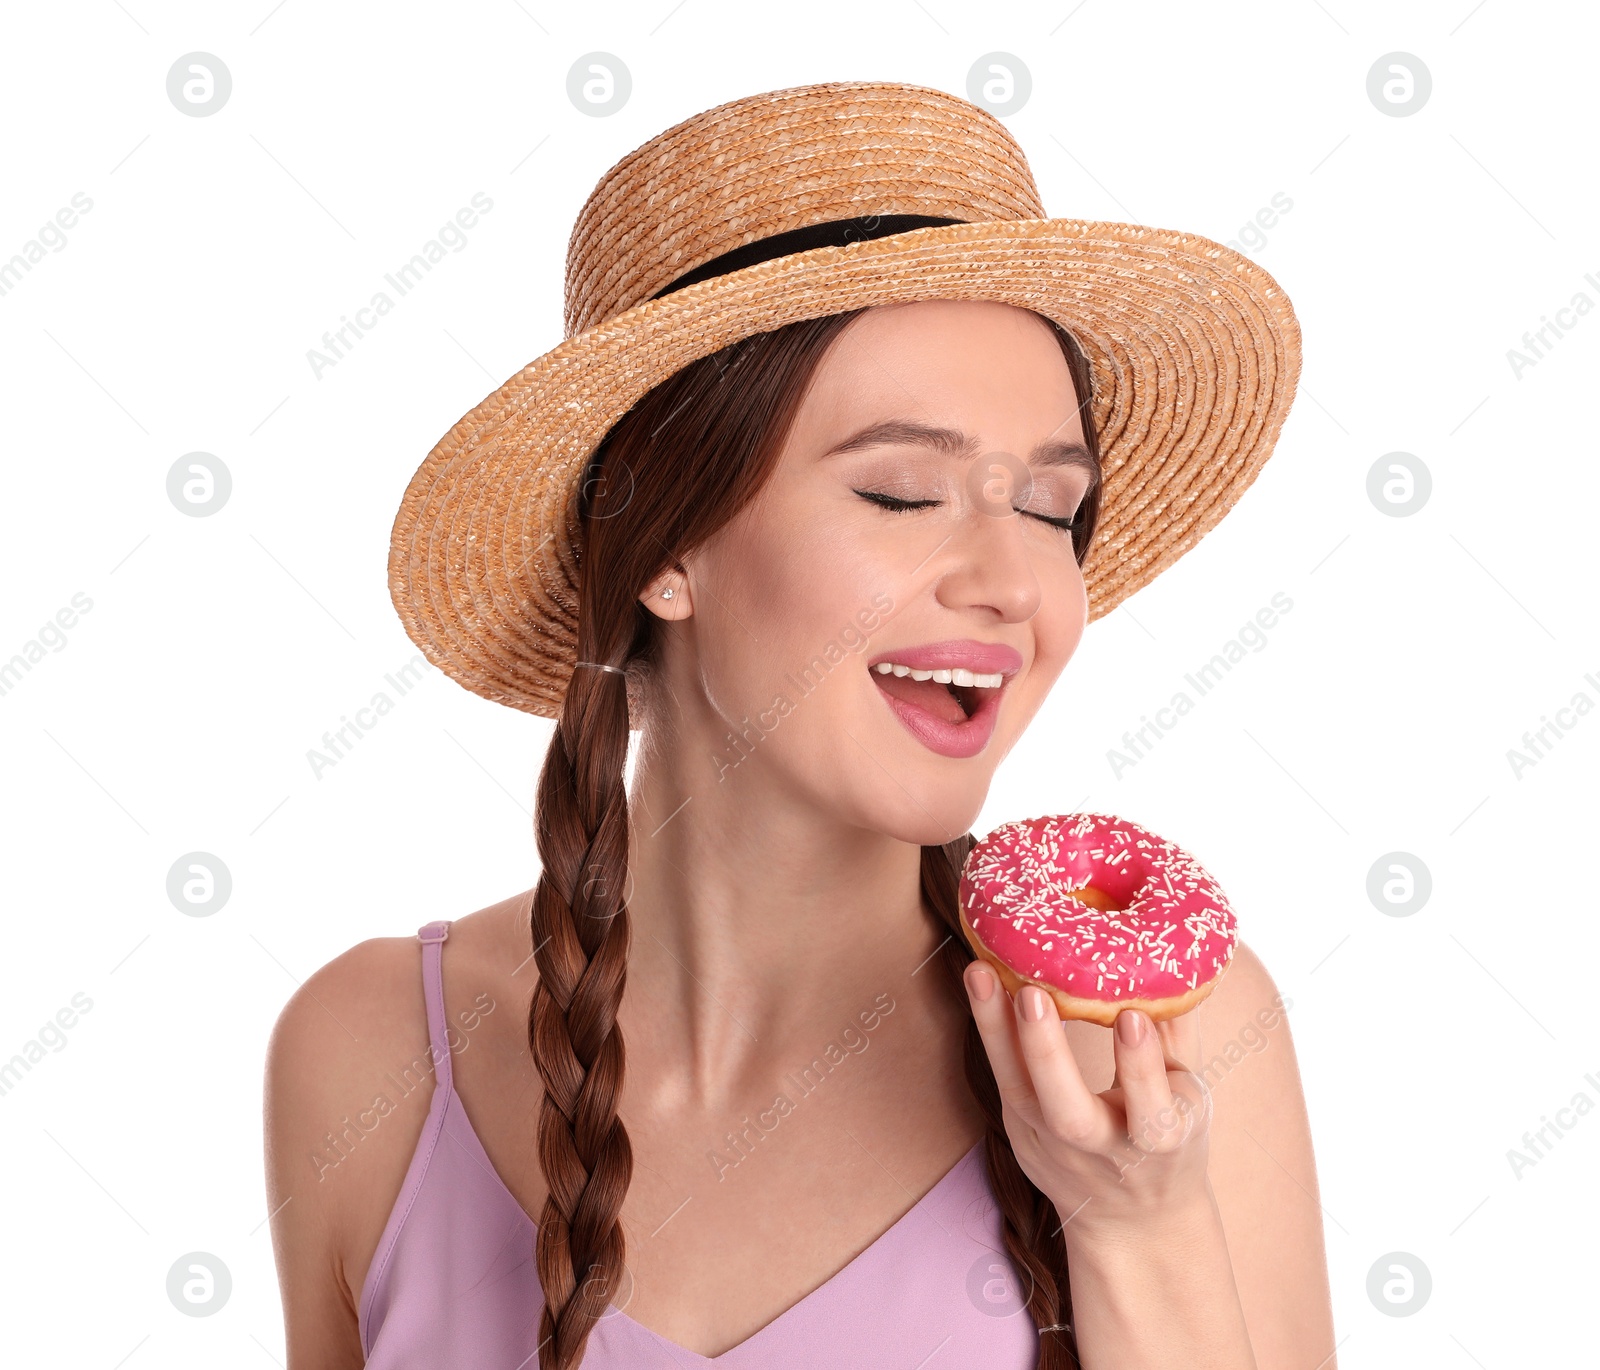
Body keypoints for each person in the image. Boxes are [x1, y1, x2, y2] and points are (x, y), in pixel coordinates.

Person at [265, 80, 1333, 1369]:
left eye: (1053, 509)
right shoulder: (371, 1056)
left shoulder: (1169, 1048)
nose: (1013, 582)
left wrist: (1133, 1222)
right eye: (899, 491)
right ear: (667, 549)